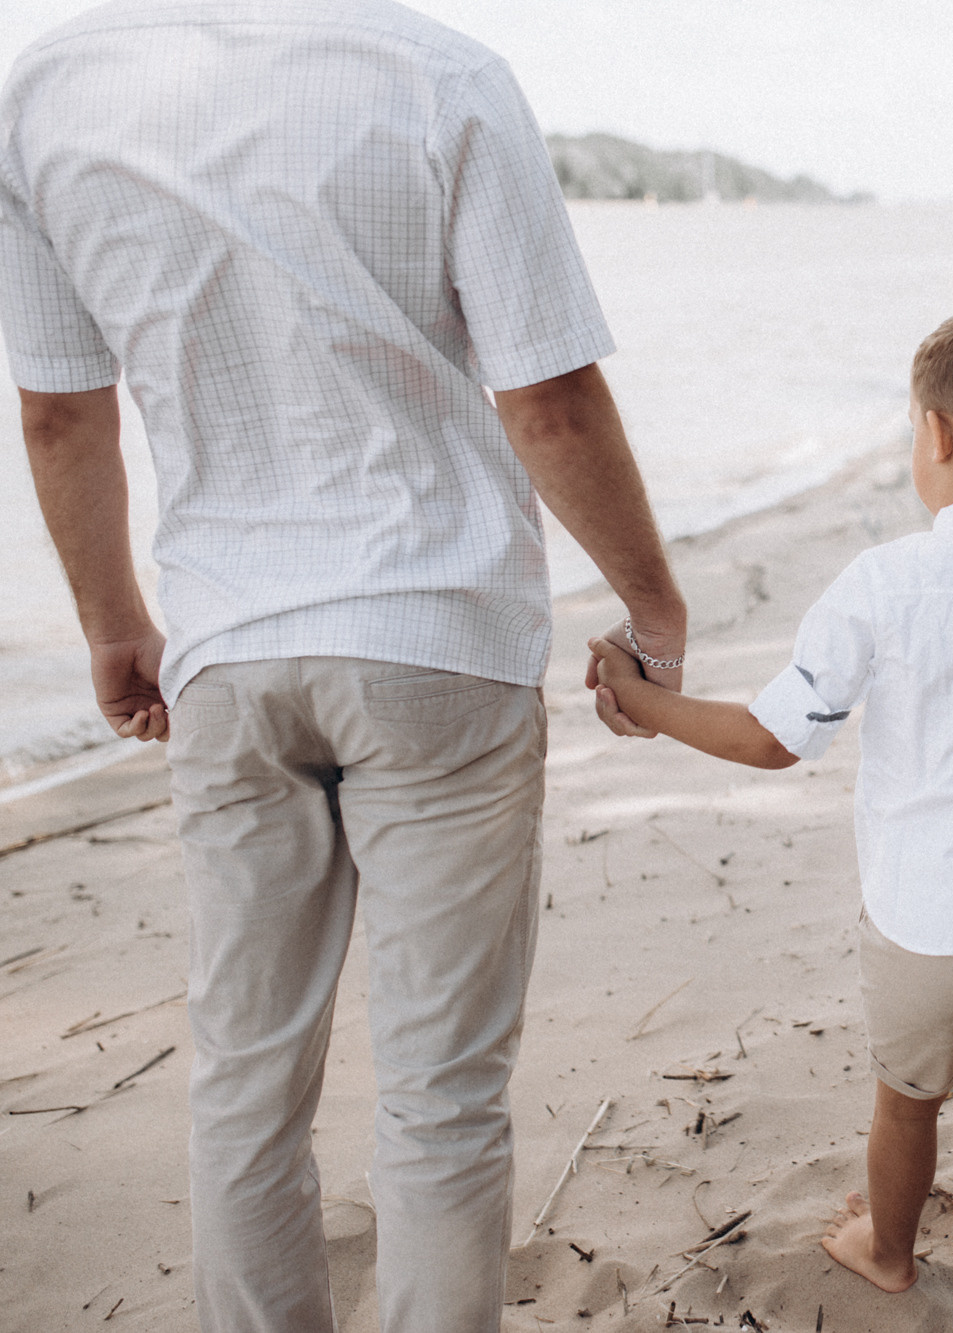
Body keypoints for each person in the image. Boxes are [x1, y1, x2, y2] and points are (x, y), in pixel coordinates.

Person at [1, 3, 686, 1329]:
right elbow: (545, 398)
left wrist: (113, 624)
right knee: (442, 1090)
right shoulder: (441, 75)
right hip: (437, 639)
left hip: (228, 654)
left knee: (243, 1078)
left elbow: (56, 408)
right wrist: (651, 602)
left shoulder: (43, 95)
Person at [588, 300, 953, 1333]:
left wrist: (644, 703)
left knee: (904, 1104)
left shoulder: (885, 583)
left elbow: (773, 737)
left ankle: (887, 1249)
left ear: (934, 436)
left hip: (922, 927)